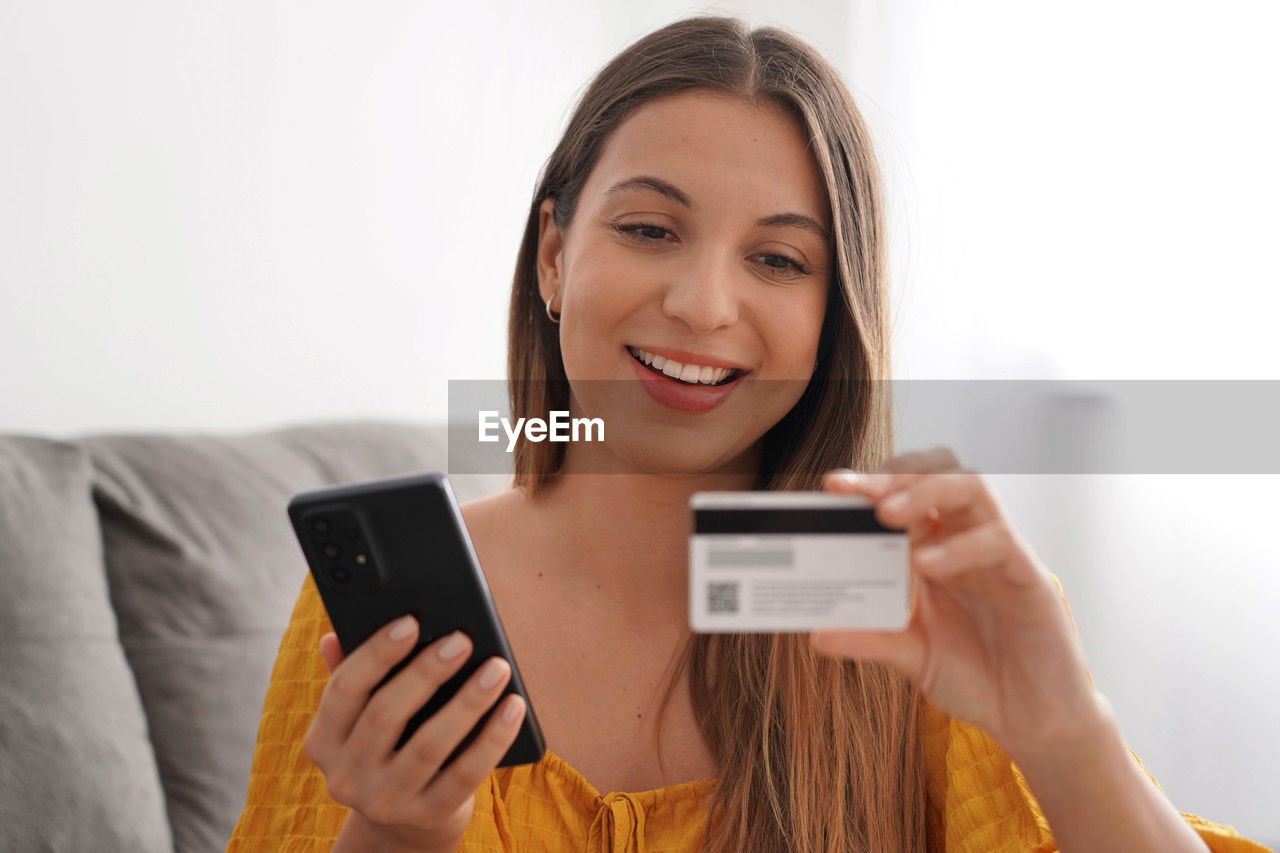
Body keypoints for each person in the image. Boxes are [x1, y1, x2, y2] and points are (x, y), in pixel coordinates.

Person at [227, 15, 1269, 852]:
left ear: (833, 316)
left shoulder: (904, 600)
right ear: (552, 256)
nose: (700, 304)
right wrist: (397, 833)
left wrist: (1062, 728)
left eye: (777, 260)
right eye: (649, 230)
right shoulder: (380, 612)